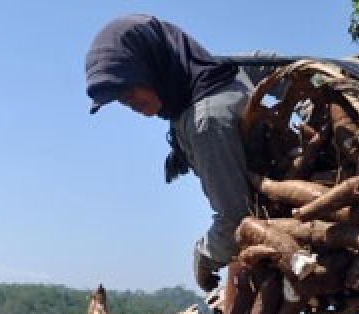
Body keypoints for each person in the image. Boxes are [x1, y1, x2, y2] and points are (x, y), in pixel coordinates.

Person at [84, 14, 257, 292]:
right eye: (120, 99)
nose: (129, 104)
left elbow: (237, 218)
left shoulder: (206, 121)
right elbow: (272, 62)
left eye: (129, 89)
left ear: (154, 65)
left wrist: (204, 257)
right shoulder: (221, 72)